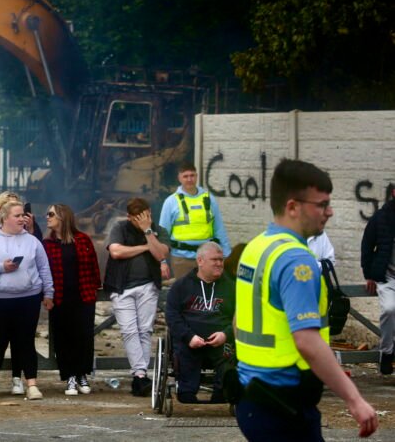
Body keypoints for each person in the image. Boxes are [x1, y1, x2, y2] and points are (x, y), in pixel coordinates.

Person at [234, 159, 377, 440]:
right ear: (292, 207)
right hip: (284, 405)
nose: (330, 211)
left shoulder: (256, 247)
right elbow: (307, 342)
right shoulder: (296, 261)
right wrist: (355, 400)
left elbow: (239, 322)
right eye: (322, 204)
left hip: (252, 397)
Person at [0, 200, 54, 401]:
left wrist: (48, 292)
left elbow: (44, 268)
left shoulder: (33, 241)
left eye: (23, 216)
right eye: (17, 215)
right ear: (5, 218)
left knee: (26, 341)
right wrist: (1, 267)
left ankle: (32, 385)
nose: (22, 219)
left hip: (28, 299)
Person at [106, 197, 170, 396]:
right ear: (129, 217)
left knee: (144, 330)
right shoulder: (120, 227)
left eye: (146, 217)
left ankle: (140, 375)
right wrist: (144, 248)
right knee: (129, 330)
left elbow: (160, 254)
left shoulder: (158, 230)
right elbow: (116, 251)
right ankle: (140, 374)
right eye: (138, 219)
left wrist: (148, 231)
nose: (142, 221)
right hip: (121, 286)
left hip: (148, 286)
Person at [165, 241, 235, 404]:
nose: (219, 263)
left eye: (221, 259)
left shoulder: (231, 287)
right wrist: (189, 337)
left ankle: (222, 391)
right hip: (190, 340)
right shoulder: (181, 286)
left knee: (228, 352)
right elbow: (172, 315)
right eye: (214, 260)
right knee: (184, 351)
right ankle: (187, 391)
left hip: (221, 341)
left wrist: (226, 334)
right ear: (200, 261)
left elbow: (240, 317)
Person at [43, 203, 101, 396]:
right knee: (63, 338)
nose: (47, 217)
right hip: (59, 298)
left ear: (62, 217)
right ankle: (69, 377)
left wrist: (95, 290)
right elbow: (44, 271)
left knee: (83, 337)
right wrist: (46, 294)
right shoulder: (48, 243)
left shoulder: (83, 240)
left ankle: (82, 374)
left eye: (51, 214)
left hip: (83, 296)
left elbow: (93, 266)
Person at [159, 163, 231, 280]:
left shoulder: (209, 199)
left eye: (192, 175)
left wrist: (227, 255)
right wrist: (162, 261)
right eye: (185, 176)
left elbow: (219, 229)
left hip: (207, 257)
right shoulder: (171, 202)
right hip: (181, 258)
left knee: (206, 294)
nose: (189, 179)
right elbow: (163, 234)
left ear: (197, 176)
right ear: (179, 178)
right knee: (185, 295)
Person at [361, 184, 395, 375]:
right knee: (390, 309)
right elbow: (367, 245)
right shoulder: (382, 218)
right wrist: (369, 274)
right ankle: (387, 353)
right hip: (387, 277)